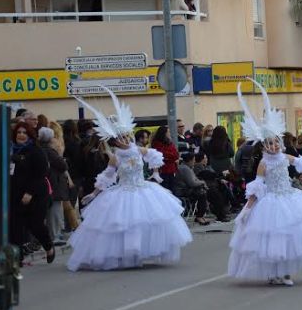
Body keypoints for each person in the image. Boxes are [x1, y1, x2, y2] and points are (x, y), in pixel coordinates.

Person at [228, 79, 302, 286]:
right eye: (270, 143)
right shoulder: (263, 163)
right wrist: (247, 209)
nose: (274, 146)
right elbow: (257, 187)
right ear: (264, 146)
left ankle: (286, 272)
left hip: (289, 198)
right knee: (274, 240)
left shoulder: (285, 157)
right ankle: (274, 272)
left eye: (276, 142)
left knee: (291, 237)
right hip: (270, 202)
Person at [67, 88, 192, 271]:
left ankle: (140, 253)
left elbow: (155, 156)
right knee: (124, 225)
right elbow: (107, 177)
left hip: (142, 189)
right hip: (123, 191)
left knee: (143, 223)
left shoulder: (138, 150)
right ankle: (127, 255)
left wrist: (156, 173)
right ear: (115, 141)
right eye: (121, 138)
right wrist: (93, 194)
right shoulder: (115, 156)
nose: (125, 139)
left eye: (126, 136)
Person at [9, 122, 55, 264]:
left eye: (24, 133)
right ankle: (17, 258)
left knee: (35, 225)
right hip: (16, 193)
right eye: (19, 132)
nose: (21, 135)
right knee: (15, 226)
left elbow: (41, 173)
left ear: (29, 135)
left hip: (36, 194)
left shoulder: (36, 151)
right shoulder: (12, 150)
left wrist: (29, 192)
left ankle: (48, 246)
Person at [38, 127, 71, 245]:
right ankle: (54, 235)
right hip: (54, 184)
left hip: (50, 183)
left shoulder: (42, 150)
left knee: (53, 210)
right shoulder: (50, 151)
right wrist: (61, 155)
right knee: (54, 211)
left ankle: (54, 234)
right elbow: (63, 165)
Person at [174, 153, 210, 225]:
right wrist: (202, 183)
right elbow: (192, 183)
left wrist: (201, 183)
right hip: (183, 191)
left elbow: (195, 180)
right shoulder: (185, 169)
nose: (194, 162)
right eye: (193, 160)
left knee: (204, 192)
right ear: (189, 161)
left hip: (186, 189)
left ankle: (201, 215)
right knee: (202, 194)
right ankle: (199, 216)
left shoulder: (187, 168)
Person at [151, 125, 179, 191]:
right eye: (168, 132)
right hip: (163, 170)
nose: (169, 134)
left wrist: (170, 156)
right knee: (165, 189)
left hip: (171, 170)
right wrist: (170, 156)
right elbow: (162, 155)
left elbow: (175, 155)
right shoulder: (157, 143)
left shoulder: (170, 143)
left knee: (172, 189)